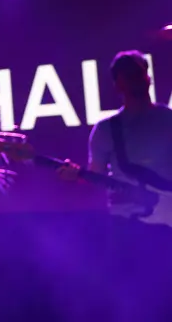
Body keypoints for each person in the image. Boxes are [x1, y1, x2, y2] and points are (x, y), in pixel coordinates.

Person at [58, 50, 172, 321]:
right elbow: (96, 178)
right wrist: (76, 177)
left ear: (148, 77)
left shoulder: (168, 119)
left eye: (139, 71)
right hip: (130, 228)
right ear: (118, 84)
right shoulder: (108, 129)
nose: (136, 79)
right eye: (128, 74)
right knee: (134, 303)